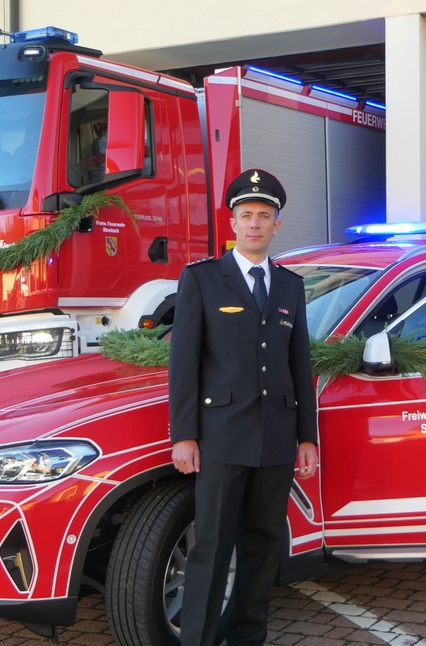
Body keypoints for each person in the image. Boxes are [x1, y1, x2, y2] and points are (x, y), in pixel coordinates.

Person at [168, 168, 319, 646]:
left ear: (277, 225)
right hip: (222, 437)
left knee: (263, 547)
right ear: (232, 223)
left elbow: (300, 364)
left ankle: (246, 638)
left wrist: (307, 436)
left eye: (264, 216)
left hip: (275, 438)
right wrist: (184, 435)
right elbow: (184, 364)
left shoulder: (291, 286)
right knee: (211, 548)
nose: (255, 224)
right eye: (246, 215)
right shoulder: (202, 280)